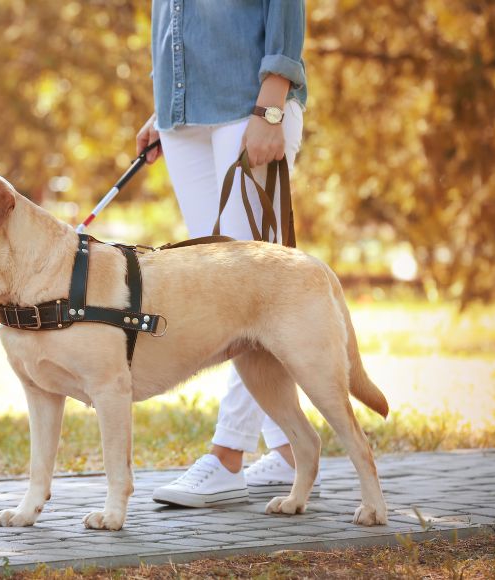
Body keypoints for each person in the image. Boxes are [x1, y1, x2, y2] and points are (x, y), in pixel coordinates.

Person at [136, 0, 320, 507]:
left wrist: (272, 105)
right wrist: (170, 104)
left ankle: (227, 454)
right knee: (221, 291)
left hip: (248, 109)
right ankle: (287, 451)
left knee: (249, 291)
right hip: (184, 119)